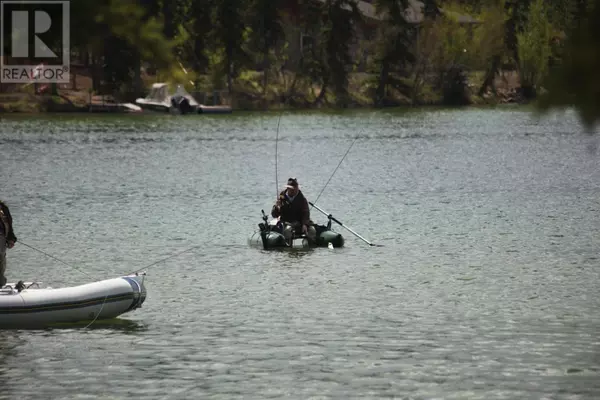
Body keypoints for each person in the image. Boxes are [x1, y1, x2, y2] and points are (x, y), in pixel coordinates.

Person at [271, 177, 317, 244]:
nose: (295, 191)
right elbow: (274, 214)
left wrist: (304, 224)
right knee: (287, 230)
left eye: (296, 189)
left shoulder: (302, 199)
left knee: (312, 230)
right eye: (292, 189)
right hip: (287, 222)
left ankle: (310, 248)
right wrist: (277, 207)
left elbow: (306, 213)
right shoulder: (282, 197)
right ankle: (287, 249)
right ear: (288, 189)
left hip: (300, 223)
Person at [0, 200, 17, 287]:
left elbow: (9, 225)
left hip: (2, 240)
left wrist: (11, 239)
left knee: (2, 263)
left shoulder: (3, 208)